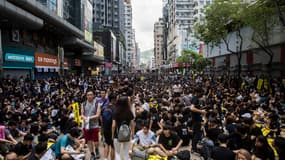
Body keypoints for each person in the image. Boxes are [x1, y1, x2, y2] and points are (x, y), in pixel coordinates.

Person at [81, 90, 102, 160]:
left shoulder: (97, 104)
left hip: (95, 125)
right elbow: (82, 114)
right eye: (88, 95)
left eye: (91, 95)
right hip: (86, 126)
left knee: (96, 141)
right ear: (86, 96)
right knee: (89, 141)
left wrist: (89, 118)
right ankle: (92, 154)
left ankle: (96, 149)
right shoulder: (83, 104)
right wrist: (84, 118)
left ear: (93, 96)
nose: (89, 96)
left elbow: (98, 115)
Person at [101, 93, 116, 160]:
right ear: (113, 100)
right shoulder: (114, 108)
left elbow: (101, 119)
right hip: (112, 130)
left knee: (106, 144)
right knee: (113, 146)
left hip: (105, 129)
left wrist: (102, 129)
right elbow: (113, 124)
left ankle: (105, 158)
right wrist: (113, 134)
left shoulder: (104, 107)